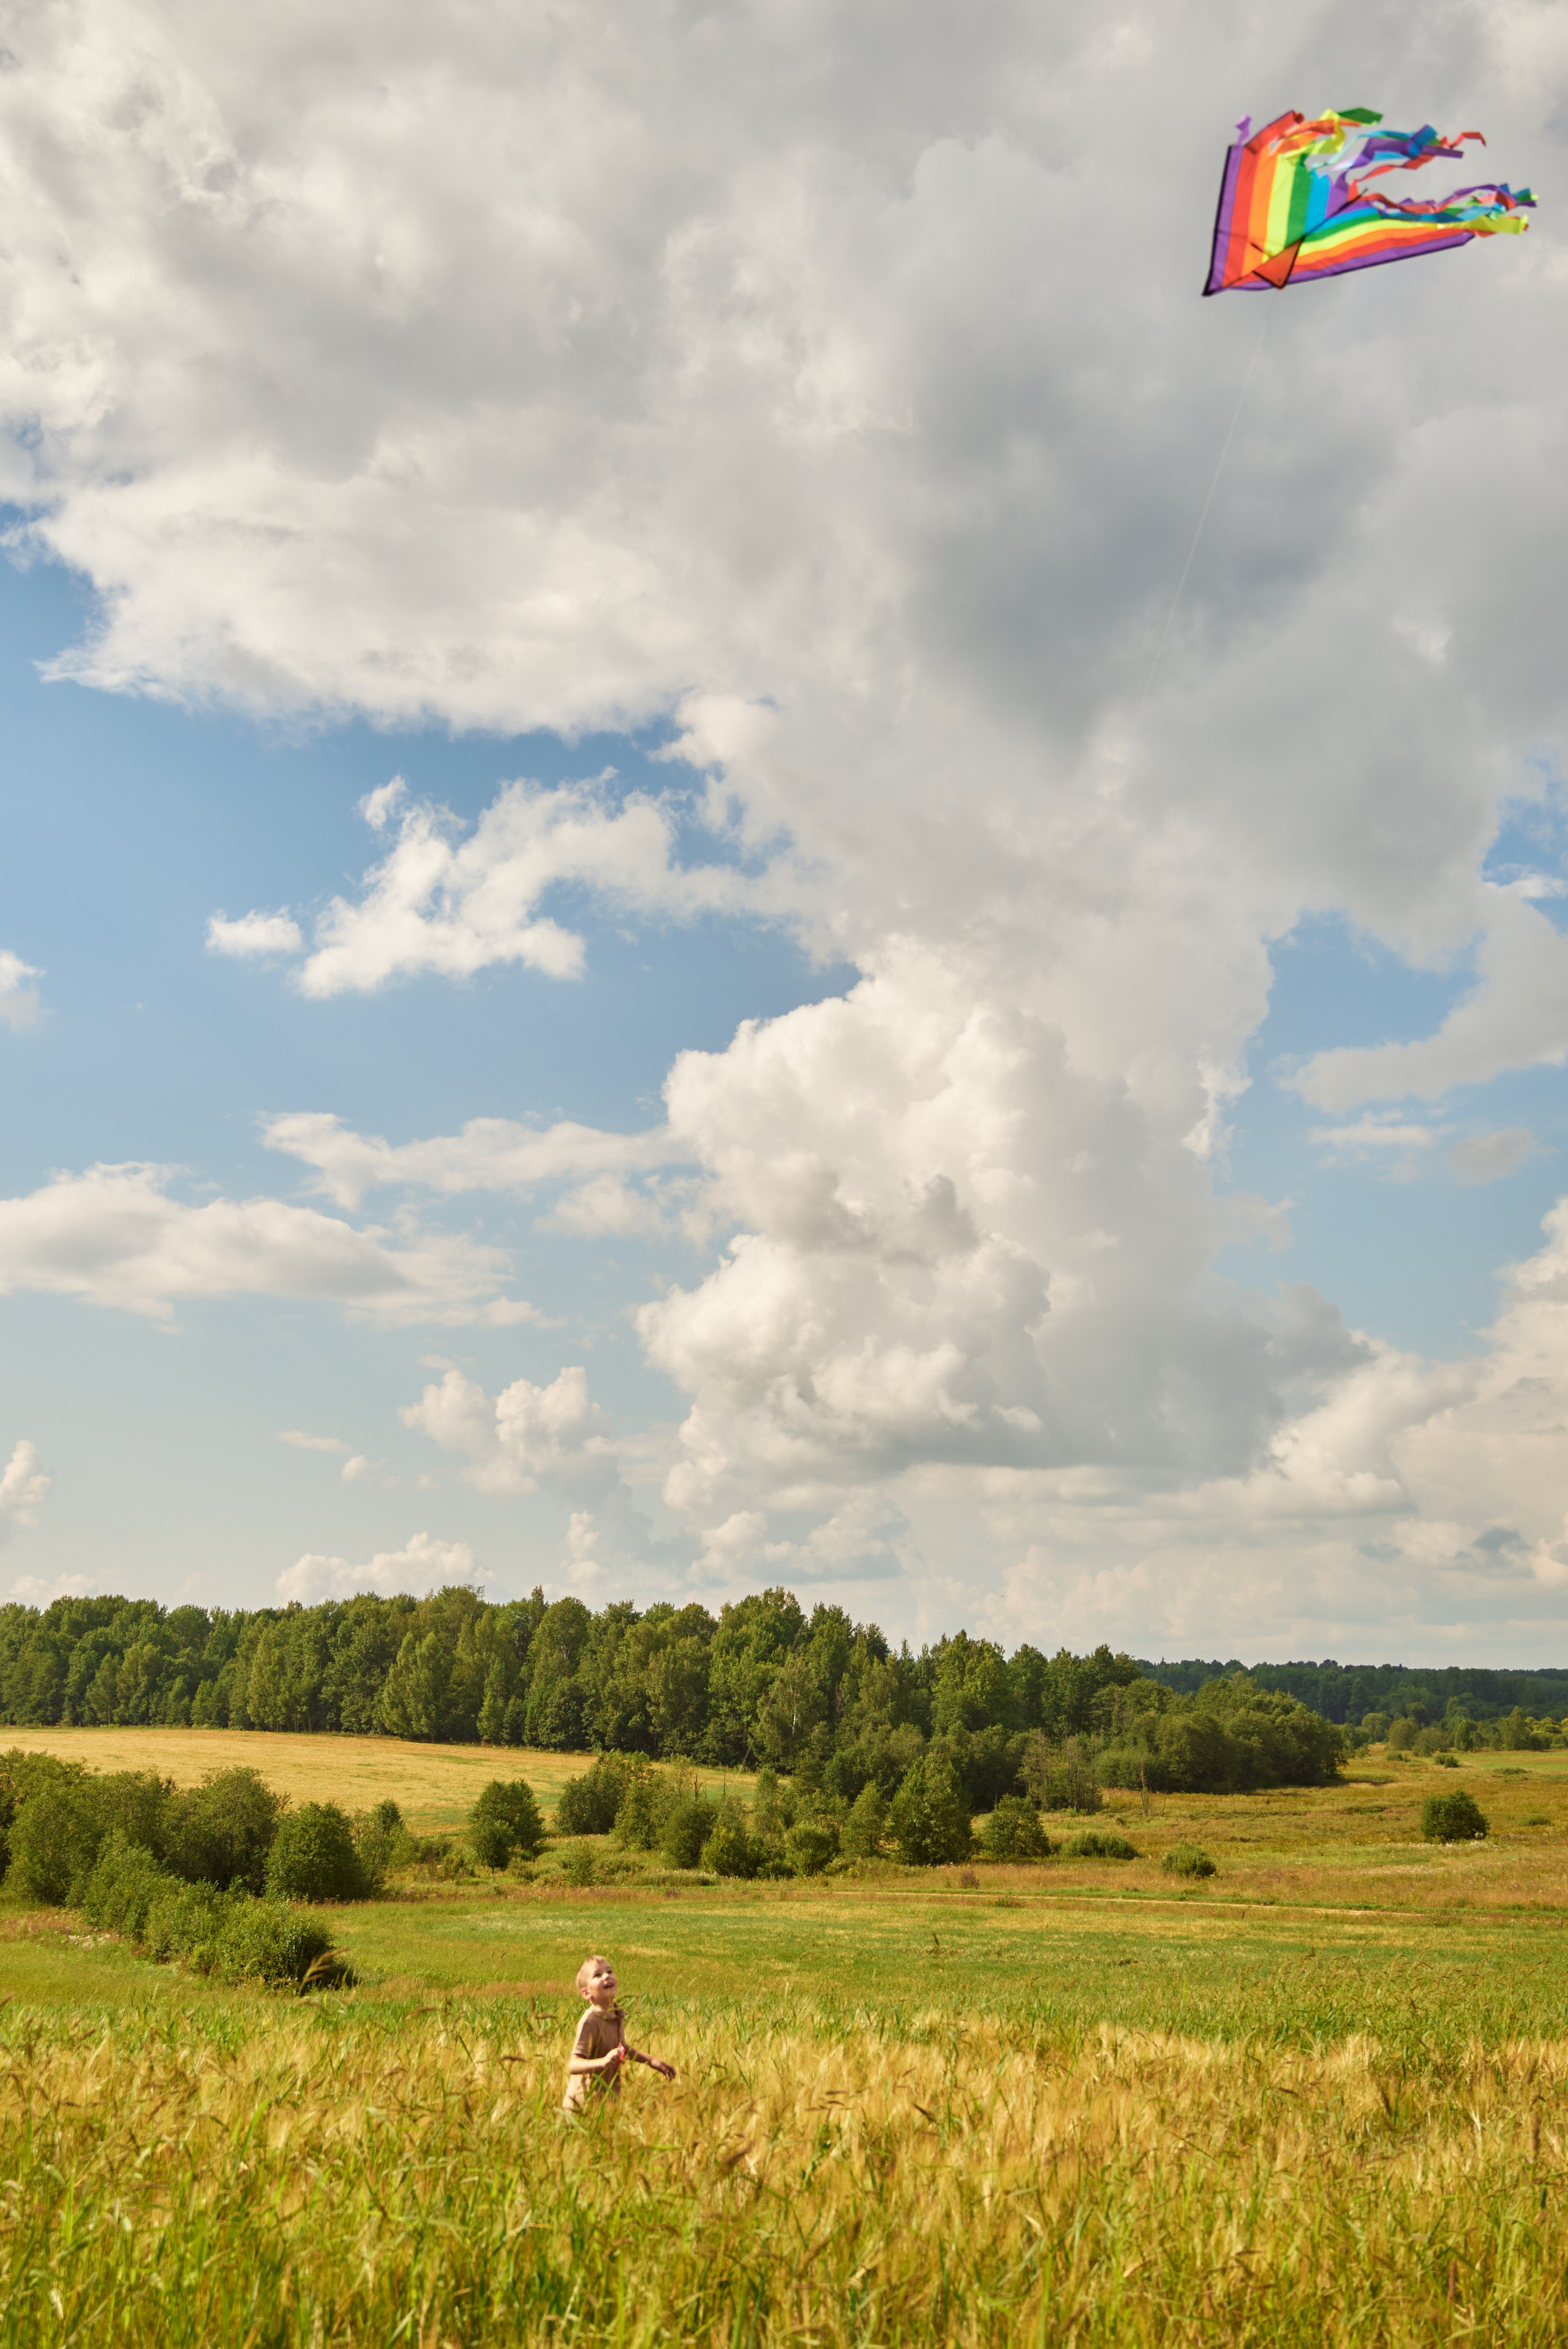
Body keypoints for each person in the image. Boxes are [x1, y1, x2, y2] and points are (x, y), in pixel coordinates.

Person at [562, 1953, 676, 2115]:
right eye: (598, 1975)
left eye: (610, 1971)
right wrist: (604, 2062)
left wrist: (651, 2061)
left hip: (608, 2102)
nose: (607, 1976)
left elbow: (621, 2048)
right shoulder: (590, 2021)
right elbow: (574, 2065)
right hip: (583, 2105)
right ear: (586, 1993)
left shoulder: (617, 2014)